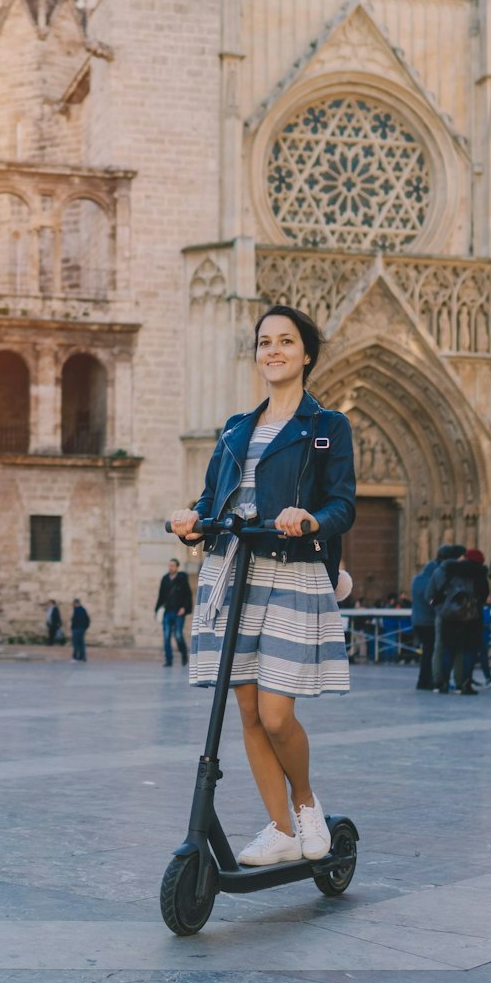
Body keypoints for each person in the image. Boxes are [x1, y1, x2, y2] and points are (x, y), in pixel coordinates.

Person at [170, 303, 353, 868]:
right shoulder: (235, 429)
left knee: (276, 714)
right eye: (264, 342)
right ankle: (280, 829)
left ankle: (305, 805)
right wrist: (191, 519)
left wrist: (311, 518)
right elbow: (212, 497)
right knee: (246, 712)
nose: (272, 350)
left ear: (306, 354)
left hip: (291, 569)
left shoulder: (327, 427)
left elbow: (343, 503)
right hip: (234, 568)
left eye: (286, 342)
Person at [421, 545, 466, 693]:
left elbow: (429, 595)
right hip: (460, 615)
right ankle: (459, 683)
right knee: (459, 648)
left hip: (442, 615)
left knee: (440, 648)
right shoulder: (463, 572)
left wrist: (439, 608)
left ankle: (438, 682)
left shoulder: (438, 571)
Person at [408, 549, 441, 689]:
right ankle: (426, 681)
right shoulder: (430, 582)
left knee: (426, 651)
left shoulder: (416, 580)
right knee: (430, 652)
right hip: (428, 621)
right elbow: (431, 600)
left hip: (417, 621)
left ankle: (423, 680)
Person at [155, 559, 192, 666]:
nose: (170, 567)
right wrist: (157, 609)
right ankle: (169, 660)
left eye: (173, 565)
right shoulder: (165, 579)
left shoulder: (182, 579)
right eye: (169, 565)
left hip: (179, 612)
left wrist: (184, 608)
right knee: (166, 636)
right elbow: (161, 596)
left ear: (177, 567)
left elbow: (188, 595)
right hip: (167, 612)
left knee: (178, 635)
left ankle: (184, 653)